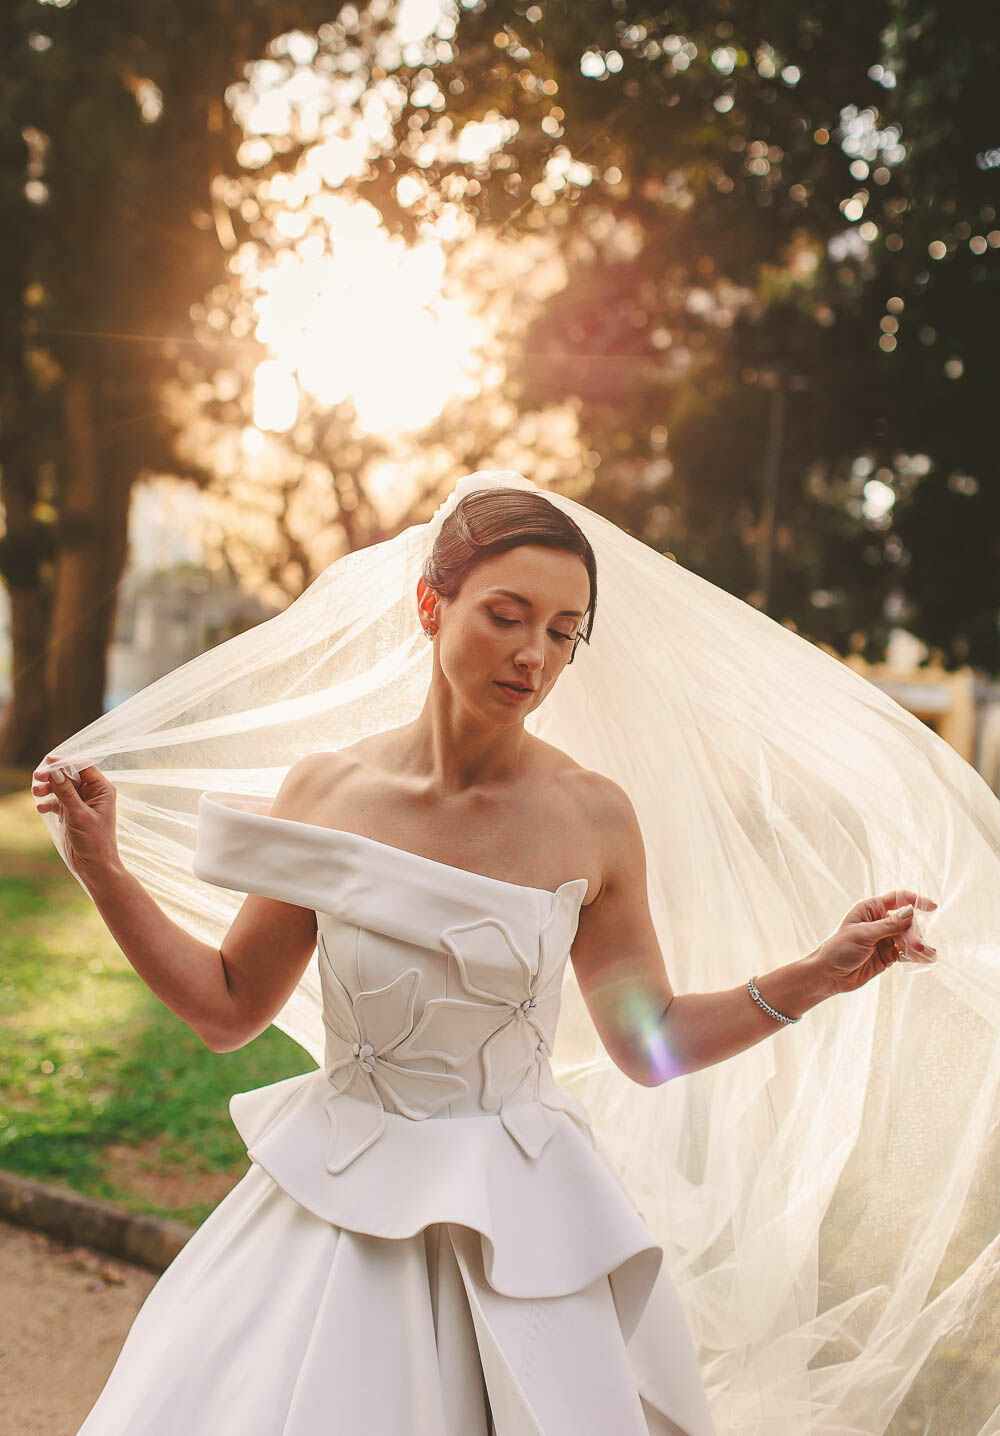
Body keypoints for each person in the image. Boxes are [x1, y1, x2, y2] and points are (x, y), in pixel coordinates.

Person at [33, 472, 999, 1433]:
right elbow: (229, 1006)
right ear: (429, 604)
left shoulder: (593, 819)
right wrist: (101, 869)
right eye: (507, 615)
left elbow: (647, 1042)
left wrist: (818, 972)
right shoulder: (326, 792)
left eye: (563, 630)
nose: (534, 654)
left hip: (523, 1229)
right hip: (334, 1211)